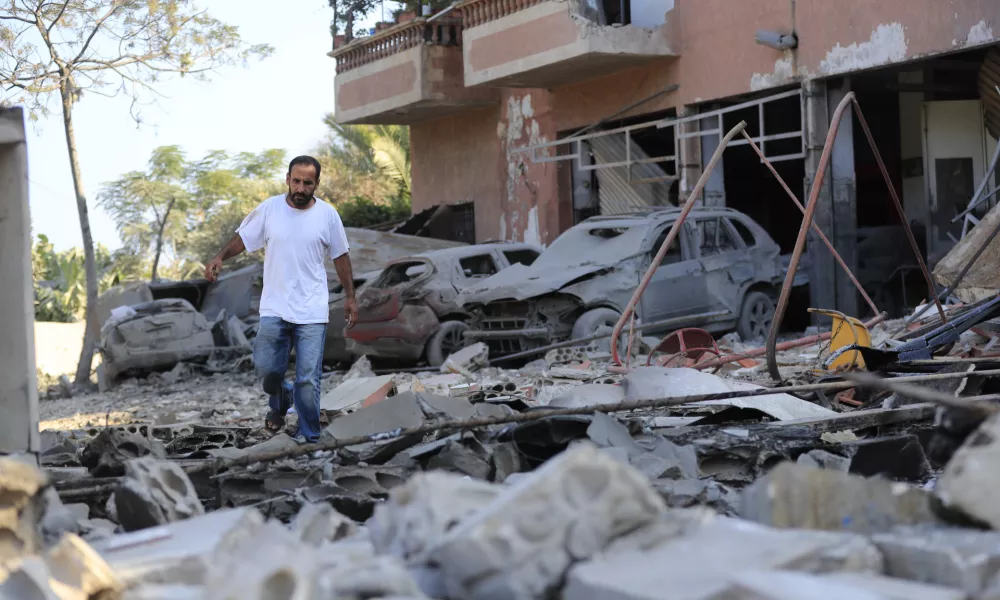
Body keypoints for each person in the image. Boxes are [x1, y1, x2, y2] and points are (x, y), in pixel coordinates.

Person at [204, 155, 358, 443]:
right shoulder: (270, 209)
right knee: (266, 369)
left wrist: (350, 297)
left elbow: (341, 256)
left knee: (308, 379)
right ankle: (281, 397)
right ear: (288, 179)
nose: (300, 188)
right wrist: (220, 257)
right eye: (296, 181)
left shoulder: (328, 215)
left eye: (307, 183)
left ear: (316, 184)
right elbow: (243, 238)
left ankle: (309, 436)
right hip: (275, 307)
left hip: (312, 310)